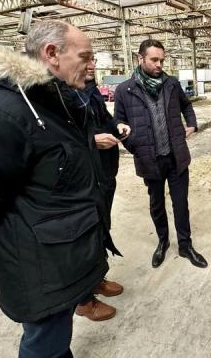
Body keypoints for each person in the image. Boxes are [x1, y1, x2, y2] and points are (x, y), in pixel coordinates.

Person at [0, 20, 128, 357]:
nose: (94, 65)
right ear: (52, 54)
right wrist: (10, 250)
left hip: (62, 258)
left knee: (57, 342)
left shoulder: (52, 102)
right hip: (39, 267)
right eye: (86, 56)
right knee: (44, 345)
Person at [114, 39, 207, 269]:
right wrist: (133, 144)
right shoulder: (125, 90)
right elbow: (118, 122)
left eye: (162, 60)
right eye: (154, 60)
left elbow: (187, 105)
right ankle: (163, 241)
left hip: (176, 158)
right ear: (140, 59)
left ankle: (185, 245)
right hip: (149, 160)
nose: (159, 64)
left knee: (180, 204)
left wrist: (192, 124)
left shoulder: (172, 84)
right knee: (156, 205)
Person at [73, 74, 126, 321]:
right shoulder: (58, 93)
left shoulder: (90, 90)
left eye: (93, 58)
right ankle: (83, 300)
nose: (92, 64)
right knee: (84, 235)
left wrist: (116, 127)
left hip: (104, 172)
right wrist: (91, 142)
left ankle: (96, 280)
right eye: (85, 57)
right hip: (83, 176)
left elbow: (103, 118)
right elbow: (54, 138)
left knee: (101, 227)